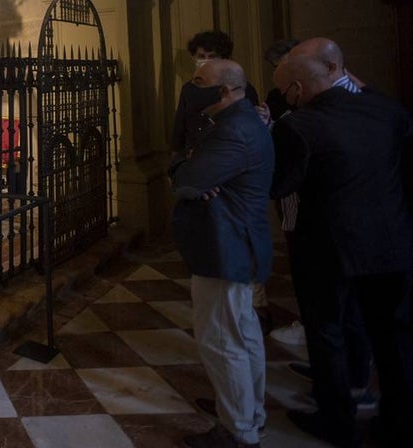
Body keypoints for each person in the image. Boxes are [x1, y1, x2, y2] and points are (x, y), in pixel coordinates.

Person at [271, 42, 413, 447]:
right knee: (394, 340)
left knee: (327, 333)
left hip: (327, 249)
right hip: (391, 244)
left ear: (297, 89)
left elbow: (281, 185)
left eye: (288, 90)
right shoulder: (388, 110)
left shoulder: (297, 126)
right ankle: (400, 425)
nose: (288, 98)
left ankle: (337, 422)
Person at [169, 58, 274, 448]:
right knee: (244, 336)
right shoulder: (238, 122)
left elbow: (189, 178)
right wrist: (194, 174)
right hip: (234, 243)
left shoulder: (234, 131)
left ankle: (237, 431)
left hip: (225, 246)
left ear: (225, 90)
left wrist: (185, 167)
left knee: (222, 341)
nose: (191, 87)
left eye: (199, 81)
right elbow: (197, 179)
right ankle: (249, 414)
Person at [172, 30, 260, 153]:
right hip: (193, 155)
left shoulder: (241, 87)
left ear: (224, 59)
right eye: (201, 57)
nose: (206, 61)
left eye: (212, 57)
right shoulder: (189, 88)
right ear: (194, 57)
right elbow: (180, 127)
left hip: (227, 152)